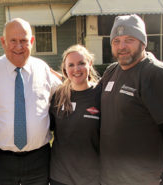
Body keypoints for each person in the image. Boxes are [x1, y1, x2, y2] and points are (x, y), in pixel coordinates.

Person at [0, 18, 61, 185]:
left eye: (23, 41)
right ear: (3, 42)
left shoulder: (42, 68)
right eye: (13, 41)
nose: (19, 46)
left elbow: (65, 90)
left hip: (39, 159)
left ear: (32, 41)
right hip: (1, 160)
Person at [100, 14, 163, 185]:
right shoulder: (112, 71)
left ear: (143, 42)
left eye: (129, 40)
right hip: (110, 177)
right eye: (116, 41)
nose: (122, 46)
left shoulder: (156, 75)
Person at [49, 44, 101, 185]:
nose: (76, 69)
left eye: (81, 63)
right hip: (60, 176)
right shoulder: (58, 95)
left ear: (89, 64)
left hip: (91, 177)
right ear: (65, 69)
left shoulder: (100, 94)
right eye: (71, 65)